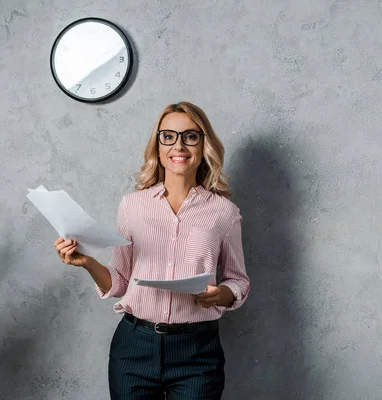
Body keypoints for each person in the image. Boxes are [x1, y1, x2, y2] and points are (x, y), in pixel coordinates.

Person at [53, 101, 251, 399]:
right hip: (134, 346)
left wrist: (219, 295)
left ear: (203, 145)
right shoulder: (132, 206)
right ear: (158, 147)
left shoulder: (224, 212)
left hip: (197, 351)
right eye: (168, 136)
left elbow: (239, 281)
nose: (179, 145)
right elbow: (119, 282)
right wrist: (86, 262)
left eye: (190, 136)